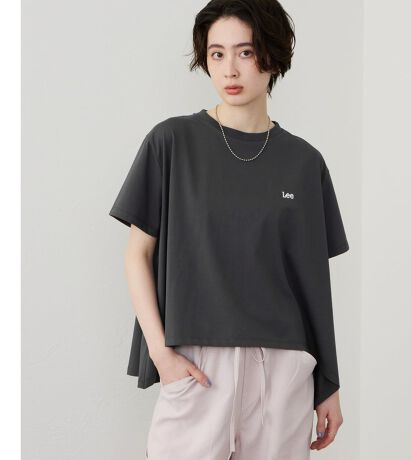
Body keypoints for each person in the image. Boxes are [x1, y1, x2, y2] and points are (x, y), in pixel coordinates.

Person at [109, 1, 349, 458]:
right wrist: (161, 354)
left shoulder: (305, 163)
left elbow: (314, 284)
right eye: (217, 54)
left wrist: (328, 383)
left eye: (246, 52)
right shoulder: (171, 142)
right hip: (197, 365)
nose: (229, 69)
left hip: (282, 370)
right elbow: (137, 254)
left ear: (273, 56)